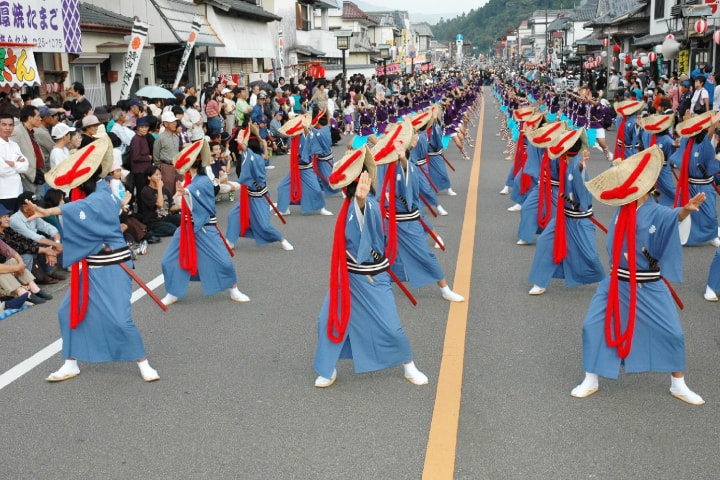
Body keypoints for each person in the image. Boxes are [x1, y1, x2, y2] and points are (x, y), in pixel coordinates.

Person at [572, 146, 705, 405]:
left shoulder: (656, 210)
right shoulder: (623, 209)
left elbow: (672, 216)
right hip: (616, 281)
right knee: (592, 325)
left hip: (648, 283)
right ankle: (591, 378)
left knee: (673, 332)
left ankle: (678, 384)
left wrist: (685, 211)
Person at [30, 134, 160, 382]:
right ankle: (71, 362)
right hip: (88, 267)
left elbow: (79, 210)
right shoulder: (93, 192)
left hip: (113, 267)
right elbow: (82, 211)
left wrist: (47, 211)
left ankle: (142, 361)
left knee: (120, 320)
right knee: (67, 312)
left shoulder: (99, 195)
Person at [312, 146, 428, 387]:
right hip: (347, 277)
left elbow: (370, 235)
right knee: (327, 320)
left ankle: (409, 365)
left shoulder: (370, 204)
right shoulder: (348, 203)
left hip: (371, 278)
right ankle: (328, 368)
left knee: (390, 327)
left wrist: (362, 202)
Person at [160, 139, 250, 306]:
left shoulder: (203, 180)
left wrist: (186, 192)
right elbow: (189, 192)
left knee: (223, 261)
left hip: (205, 227)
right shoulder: (190, 179)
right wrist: (185, 191)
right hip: (187, 227)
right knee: (169, 260)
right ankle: (173, 292)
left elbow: (195, 193)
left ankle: (234, 289)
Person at [527, 128, 605, 295]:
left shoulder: (576, 164)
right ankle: (540, 282)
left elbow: (582, 188)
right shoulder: (563, 161)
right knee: (544, 242)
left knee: (590, 255)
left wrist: (581, 167)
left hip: (579, 219)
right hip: (563, 216)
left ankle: (604, 282)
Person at [225, 127, 293, 250]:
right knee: (233, 216)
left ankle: (282, 239)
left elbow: (247, 153)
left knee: (264, 225)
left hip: (259, 197)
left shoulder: (255, 158)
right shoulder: (254, 156)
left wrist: (242, 144)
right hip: (248, 195)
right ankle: (230, 240)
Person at [669, 111, 720, 246]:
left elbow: (709, 137)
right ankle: (683, 235)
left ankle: (712, 235)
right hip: (689, 184)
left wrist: (712, 127)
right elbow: (684, 136)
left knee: (709, 213)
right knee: (687, 211)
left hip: (704, 185)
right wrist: (685, 121)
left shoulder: (704, 142)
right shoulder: (688, 141)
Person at [10, 105, 46, 195]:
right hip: (26, 175)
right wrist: (21, 171)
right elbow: (11, 152)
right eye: (38, 116)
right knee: (29, 200)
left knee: (37, 200)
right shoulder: (17, 131)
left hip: (37, 173)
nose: (40, 119)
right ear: (30, 118)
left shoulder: (31, 132)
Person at [139, 165, 180, 238]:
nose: (159, 177)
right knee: (173, 229)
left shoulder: (165, 189)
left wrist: (182, 206)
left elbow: (170, 207)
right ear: (149, 177)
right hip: (154, 221)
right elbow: (160, 204)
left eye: (160, 174)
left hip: (166, 217)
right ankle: (149, 233)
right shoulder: (146, 191)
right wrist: (159, 188)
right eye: (156, 175)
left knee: (183, 219)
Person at [0, 113, 28, 212]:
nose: (8, 128)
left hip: (18, 191)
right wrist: (18, 167)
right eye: (4, 125)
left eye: (10, 125)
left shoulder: (14, 145)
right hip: (3, 193)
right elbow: (2, 170)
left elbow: (26, 165)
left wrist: (14, 164)